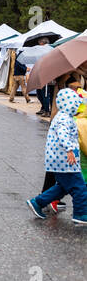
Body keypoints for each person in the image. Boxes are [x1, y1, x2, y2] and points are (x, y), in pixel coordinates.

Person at [27, 87, 87, 225]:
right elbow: (63, 134)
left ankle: (37, 202)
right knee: (79, 188)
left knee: (62, 188)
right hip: (65, 160)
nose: (78, 106)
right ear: (70, 104)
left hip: (59, 160)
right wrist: (70, 149)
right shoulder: (65, 119)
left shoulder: (62, 116)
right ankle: (81, 214)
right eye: (76, 103)